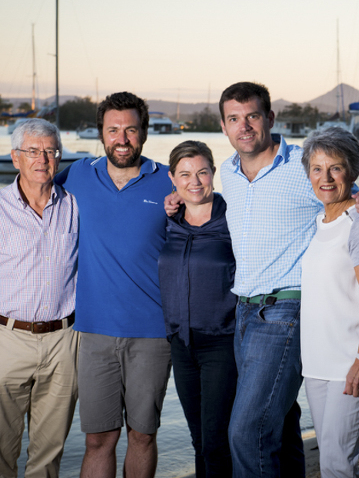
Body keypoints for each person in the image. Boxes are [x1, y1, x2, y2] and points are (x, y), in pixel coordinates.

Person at [0, 92, 173, 478]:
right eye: (113, 130)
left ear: (144, 132)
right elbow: (31, 183)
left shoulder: (168, 181)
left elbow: (206, 222)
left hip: (145, 333)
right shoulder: (79, 175)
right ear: (101, 134)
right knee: (95, 441)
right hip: (88, 335)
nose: (122, 138)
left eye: (130, 129)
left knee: (139, 436)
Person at [198, 81, 359, 477]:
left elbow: (358, 204)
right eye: (234, 119)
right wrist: (179, 203)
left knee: (247, 431)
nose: (245, 126)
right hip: (244, 313)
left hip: (284, 312)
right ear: (223, 126)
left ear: (270, 117)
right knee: (282, 428)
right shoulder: (228, 173)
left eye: (253, 116)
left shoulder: (300, 166)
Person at [0, 118, 79, 478]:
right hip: (5, 343)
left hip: (63, 345)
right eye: (33, 151)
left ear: (58, 156)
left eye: (50, 151)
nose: (42, 158)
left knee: (48, 460)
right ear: (15, 158)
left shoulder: (76, 206)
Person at [300, 126, 359, 477]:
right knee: (328, 459)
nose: (325, 177)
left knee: (338, 464)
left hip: (353, 362)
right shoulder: (318, 222)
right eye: (316, 168)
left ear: (353, 172)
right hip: (318, 364)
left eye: (335, 168)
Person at [157, 140, 237, 478]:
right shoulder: (168, 221)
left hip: (222, 342)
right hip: (180, 343)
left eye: (202, 172)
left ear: (213, 174)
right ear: (173, 179)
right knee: (198, 439)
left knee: (217, 441)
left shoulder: (233, 216)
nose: (195, 181)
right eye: (185, 174)